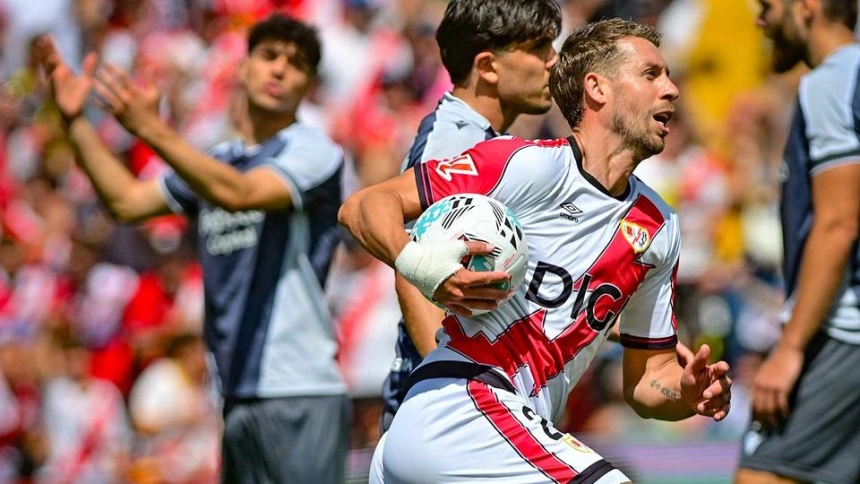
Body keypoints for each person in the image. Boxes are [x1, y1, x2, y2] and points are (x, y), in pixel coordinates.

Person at [340, 18, 732, 483]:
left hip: (497, 431)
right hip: (457, 405)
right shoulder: (526, 165)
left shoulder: (660, 227)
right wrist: (429, 270)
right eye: (651, 74)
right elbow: (364, 206)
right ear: (597, 88)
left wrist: (685, 394)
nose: (671, 89)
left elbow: (648, 379)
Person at [37, 14, 350, 484]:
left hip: (299, 389)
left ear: (308, 84)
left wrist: (151, 129)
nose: (281, 70)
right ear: (242, 69)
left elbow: (240, 194)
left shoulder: (314, 151)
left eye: (297, 64)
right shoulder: (219, 160)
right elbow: (126, 201)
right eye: (269, 56)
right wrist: (75, 122)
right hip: (235, 392)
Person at [379, 0, 563, 432]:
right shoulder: (455, 145)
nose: (553, 61)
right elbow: (413, 274)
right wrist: (453, 393)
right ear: (488, 66)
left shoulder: (484, 141)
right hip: (442, 416)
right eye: (539, 48)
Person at [736, 1, 860, 483]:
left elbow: (839, 222)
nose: (758, 19)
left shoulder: (833, 81)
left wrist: (789, 349)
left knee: (763, 475)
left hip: (842, 334)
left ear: (806, 7)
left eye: (767, 5)